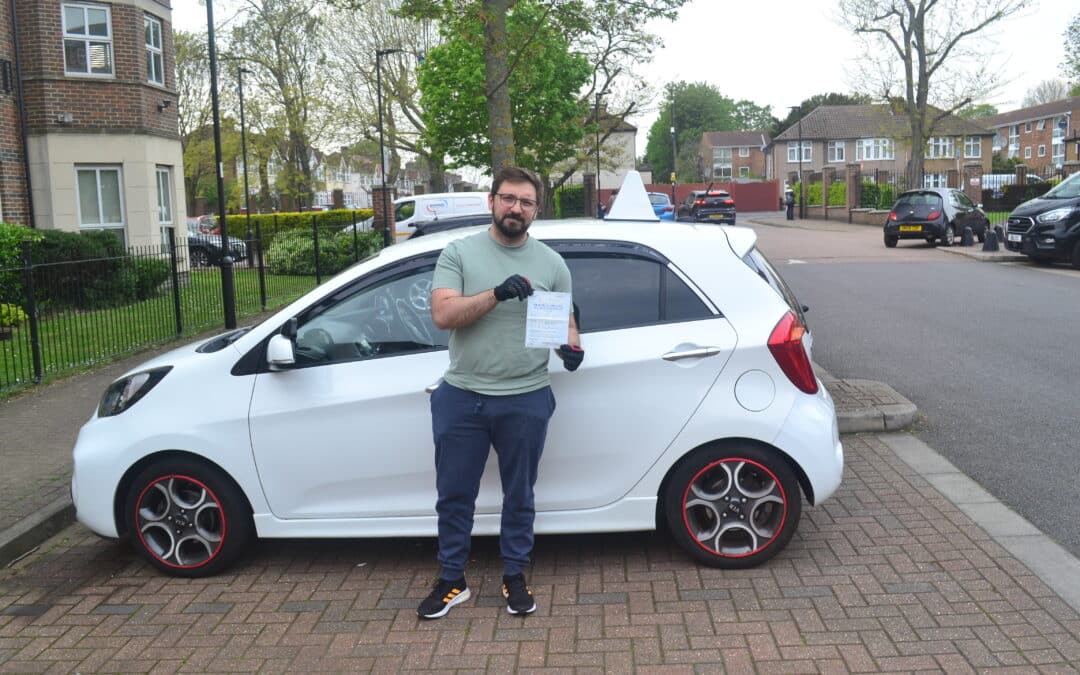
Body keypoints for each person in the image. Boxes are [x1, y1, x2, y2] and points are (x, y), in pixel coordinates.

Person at [417, 166, 583, 620]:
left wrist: (572, 347)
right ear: (491, 201)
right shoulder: (459, 252)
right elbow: (444, 315)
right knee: (454, 495)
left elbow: (565, 319)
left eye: (526, 202)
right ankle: (452, 580)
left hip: (527, 395)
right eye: (509, 198)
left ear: (536, 210)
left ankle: (514, 575)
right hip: (463, 395)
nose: (516, 208)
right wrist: (497, 293)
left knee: (520, 494)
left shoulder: (551, 262)